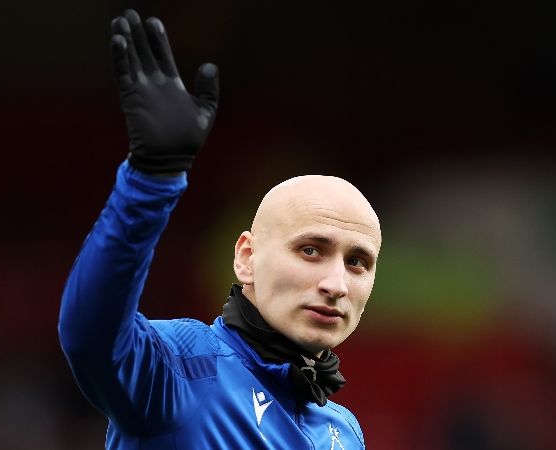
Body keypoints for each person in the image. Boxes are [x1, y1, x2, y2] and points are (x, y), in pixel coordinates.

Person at [58, 9, 381, 449]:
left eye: (357, 262)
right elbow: (90, 335)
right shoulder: (182, 368)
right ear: (246, 257)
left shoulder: (342, 430)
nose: (336, 283)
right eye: (310, 250)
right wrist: (151, 179)